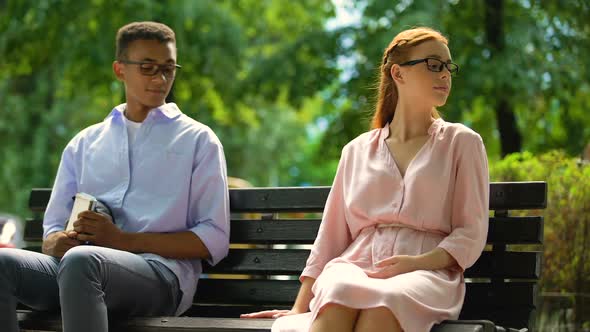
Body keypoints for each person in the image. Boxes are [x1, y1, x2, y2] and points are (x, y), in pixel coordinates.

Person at [241, 27, 489, 332]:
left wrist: (416, 262)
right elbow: (330, 239)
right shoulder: (356, 151)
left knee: (386, 301)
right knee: (340, 289)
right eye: (434, 65)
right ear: (399, 74)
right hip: (355, 266)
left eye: (448, 67)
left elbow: (470, 232)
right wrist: (297, 309)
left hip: (427, 274)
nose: (445, 75)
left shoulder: (462, 142)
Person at [0, 21, 230, 332]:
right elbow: (51, 234)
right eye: (148, 68)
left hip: (160, 277)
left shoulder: (198, 140)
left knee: (84, 262)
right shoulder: (84, 144)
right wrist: (61, 242)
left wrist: (121, 241)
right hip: (77, 268)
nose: (160, 78)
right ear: (120, 69)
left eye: (168, 68)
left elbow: (214, 239)